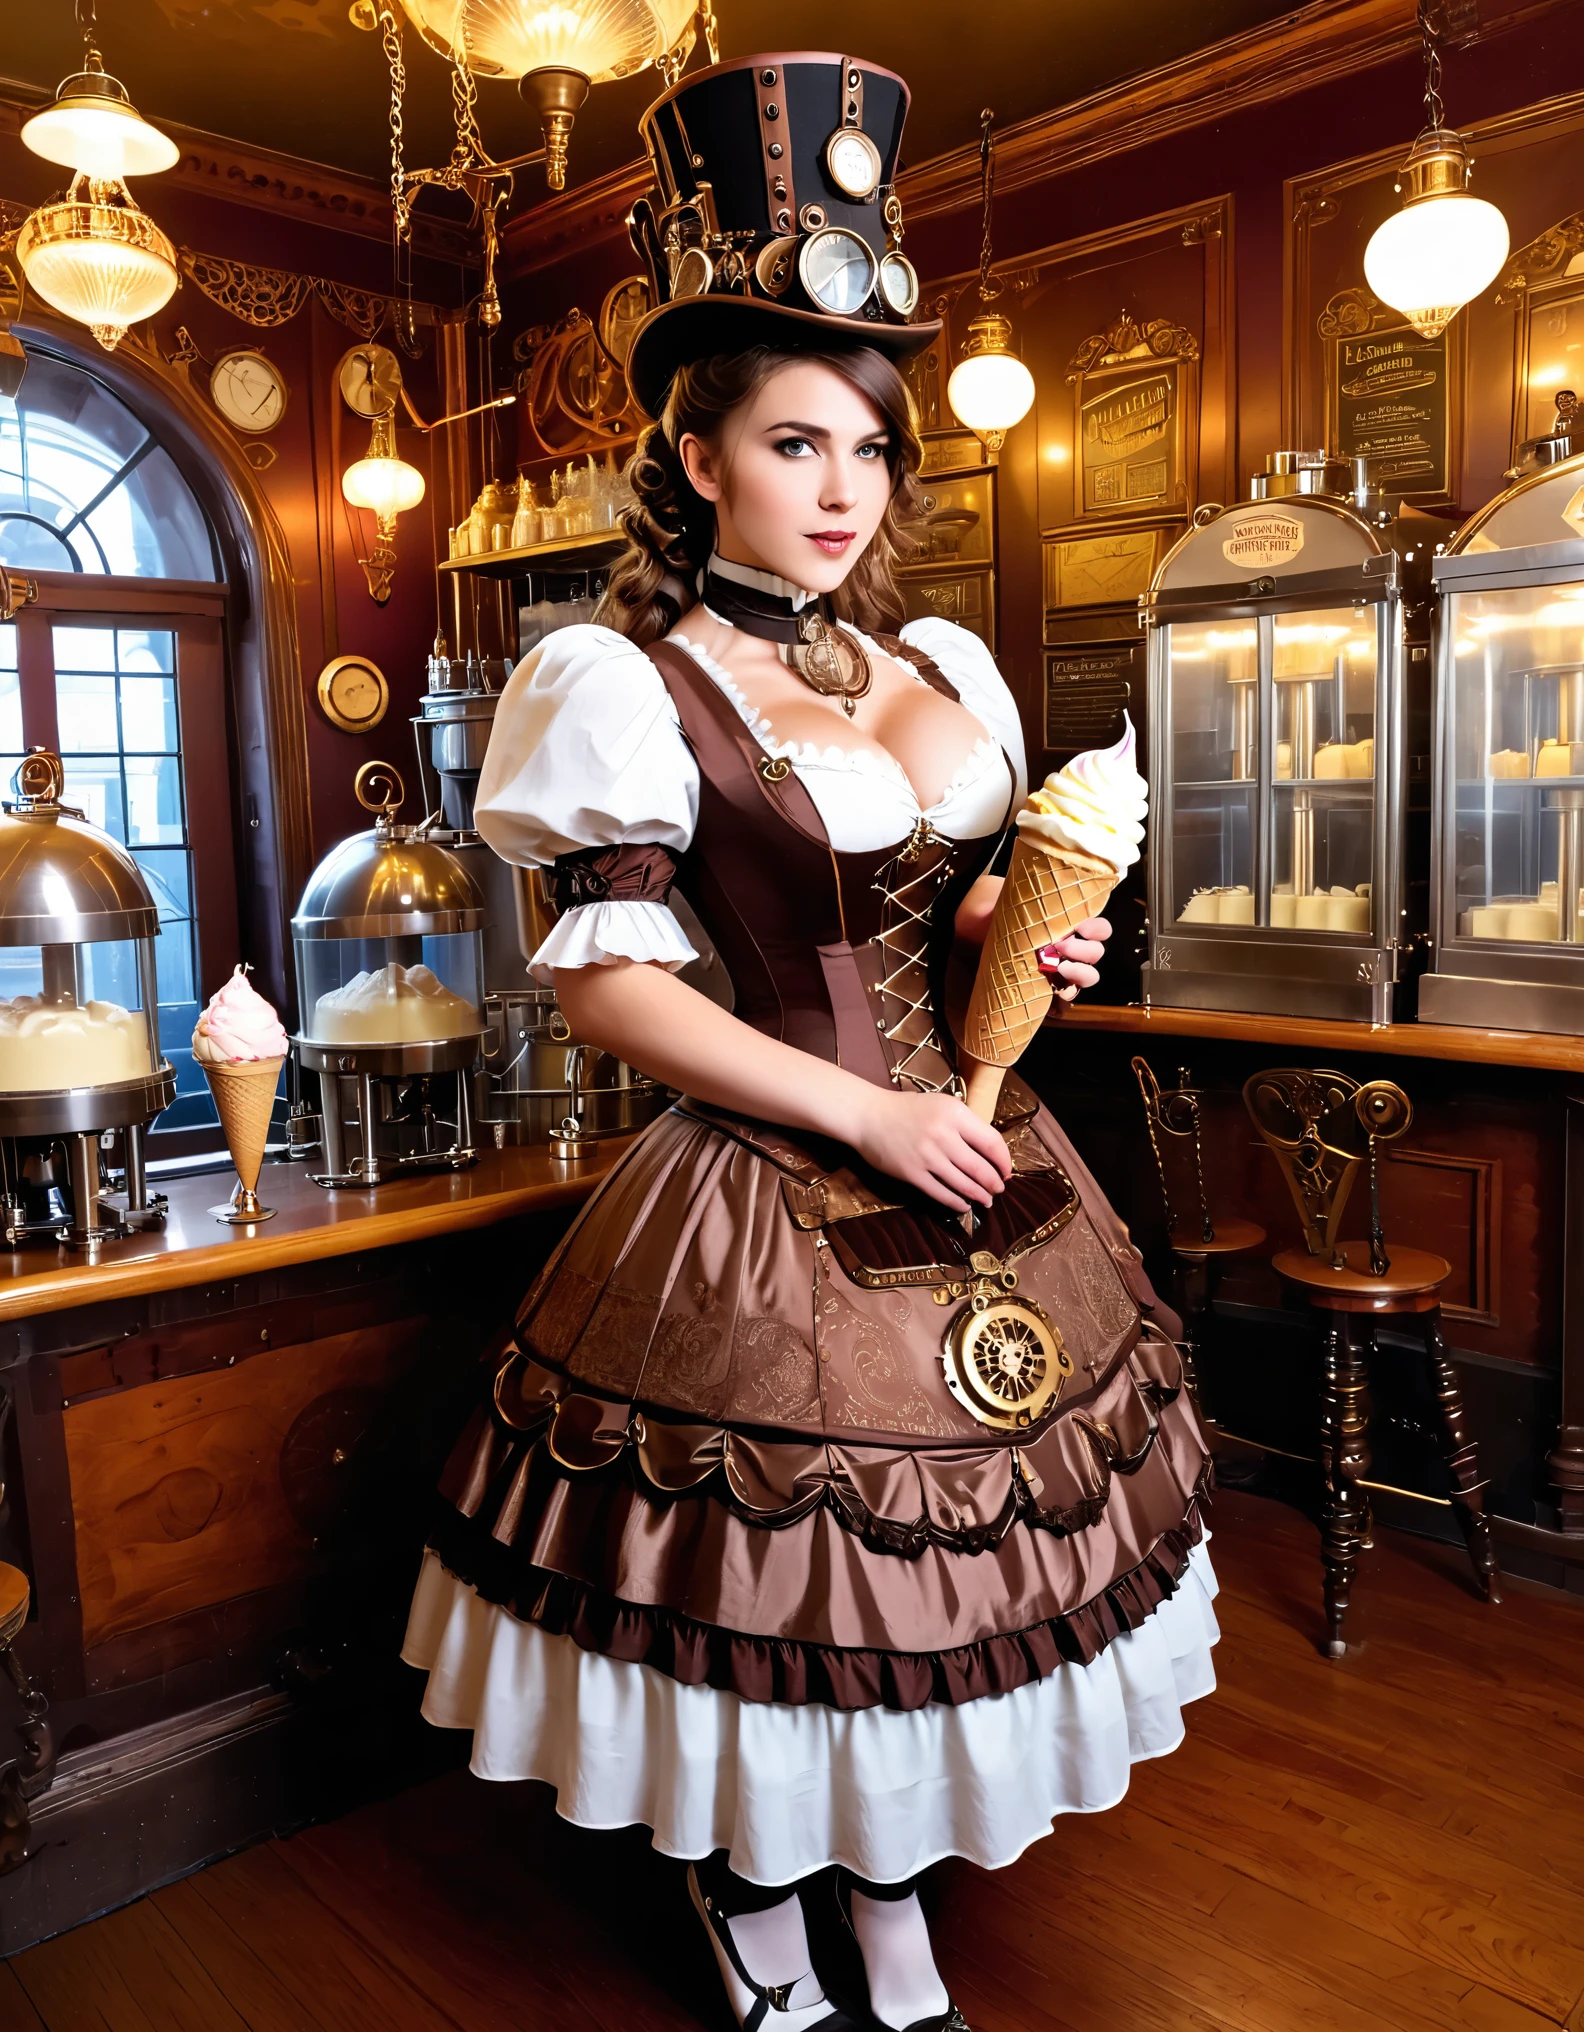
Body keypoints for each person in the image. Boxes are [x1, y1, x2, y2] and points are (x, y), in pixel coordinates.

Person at [402, 53, 1217, 2032]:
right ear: (695, 458)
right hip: (765, 1172)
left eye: (866, 443)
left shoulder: (933, 664)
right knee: (781, 1598)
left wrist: (1028, 939)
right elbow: (605, 986)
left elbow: (927, 903)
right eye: (793, 442)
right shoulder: (619, 677)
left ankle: (891, 1900)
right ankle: (762, 1906)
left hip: (983, 1160)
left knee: (959, 1588)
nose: (842, 487)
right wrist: (866, 1096)